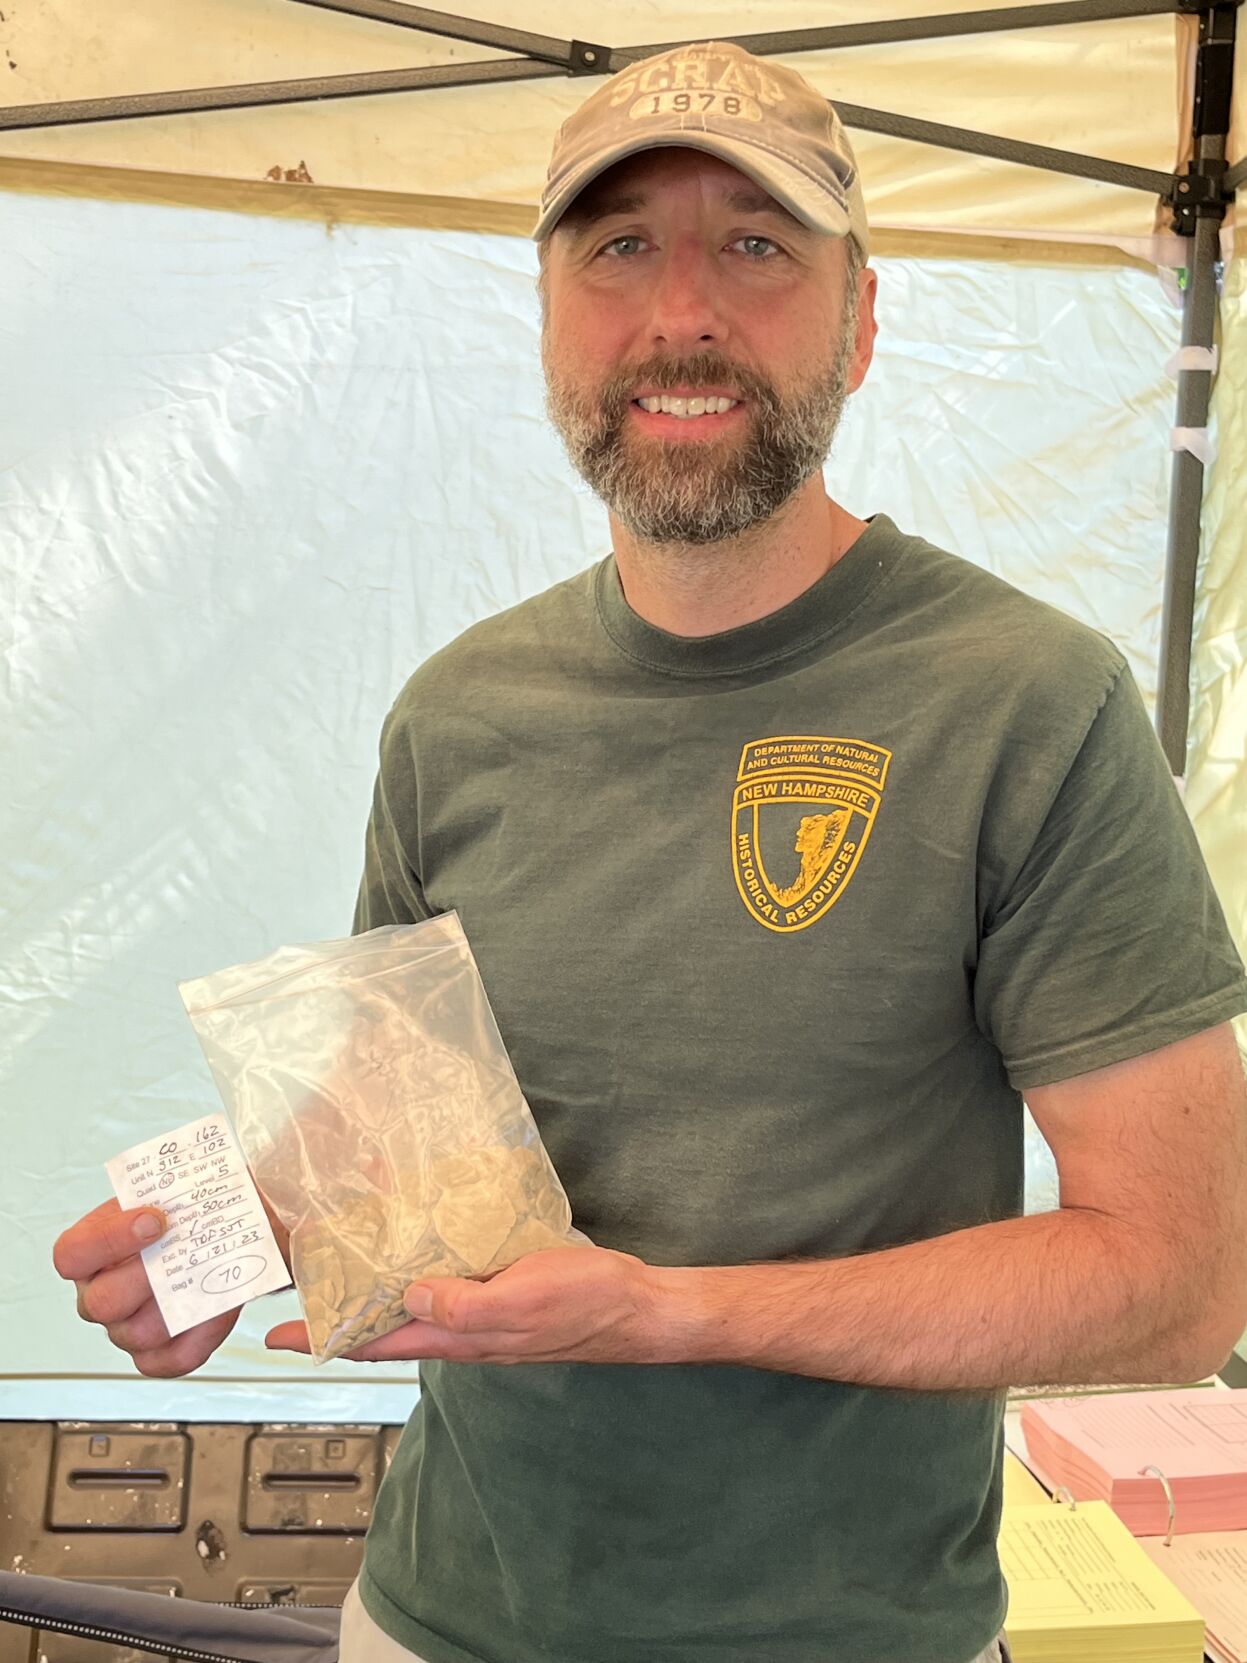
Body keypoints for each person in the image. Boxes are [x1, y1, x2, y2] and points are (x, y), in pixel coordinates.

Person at [54, 40, 1247, 1663]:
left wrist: (676, 1316)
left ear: (865, 317)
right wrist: (208, 1244)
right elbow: (387, 1153)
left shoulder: (1028, 704)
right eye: (619, 246)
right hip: (435, 1619)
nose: (681, 314)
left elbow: (1180, 1278)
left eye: (757, 245)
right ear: (547, 317)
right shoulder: (457, 716)